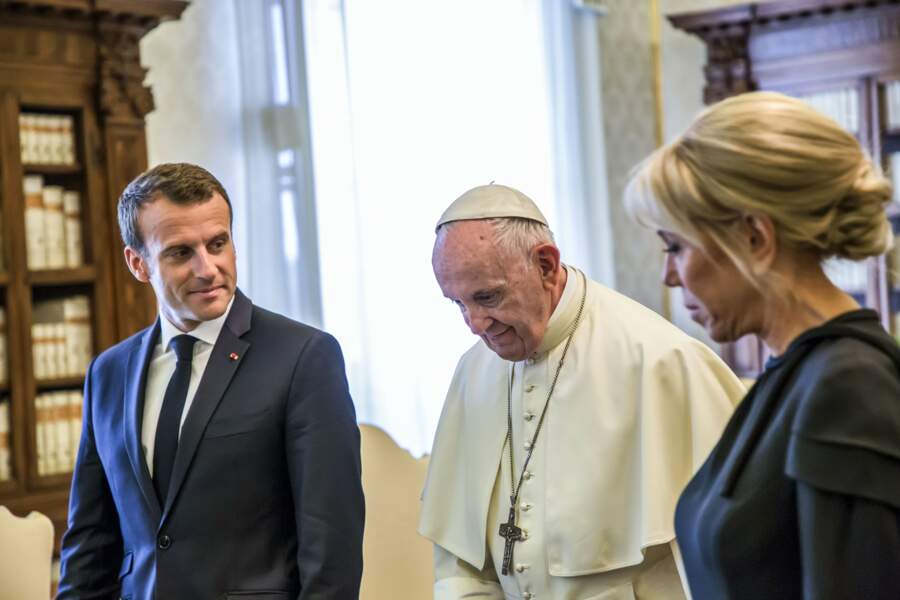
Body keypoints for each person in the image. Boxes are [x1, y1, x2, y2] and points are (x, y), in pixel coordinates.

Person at [625, 91, 900, 599]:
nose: (668, 275)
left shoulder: (848, 384)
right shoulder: (794, 371)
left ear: (754, 236)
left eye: (677, 246)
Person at [419, 183, 746, 599]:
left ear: (546, 265)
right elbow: (459, 557)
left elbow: (730, 556)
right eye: (459, 304)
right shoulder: (473, 372)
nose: (475, 324)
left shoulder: (661, 360)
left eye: (488, 296)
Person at [57, 163, 364, 600]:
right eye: (181, 252)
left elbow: (331, 545)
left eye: (218, 243)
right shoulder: (108, 373)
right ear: (138, 263)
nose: (209, 268)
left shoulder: (304, 357)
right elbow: (90, 541)